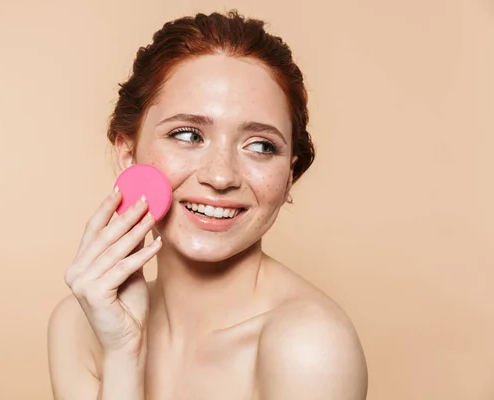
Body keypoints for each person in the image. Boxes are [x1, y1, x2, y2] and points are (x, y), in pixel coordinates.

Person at [47, 10, 368, 400]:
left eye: (261, 146)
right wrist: (122, 353)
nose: (220, 176)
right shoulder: (80, 327)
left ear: (288, 176)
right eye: (188, 135)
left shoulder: (310, 348)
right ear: (129, 153)